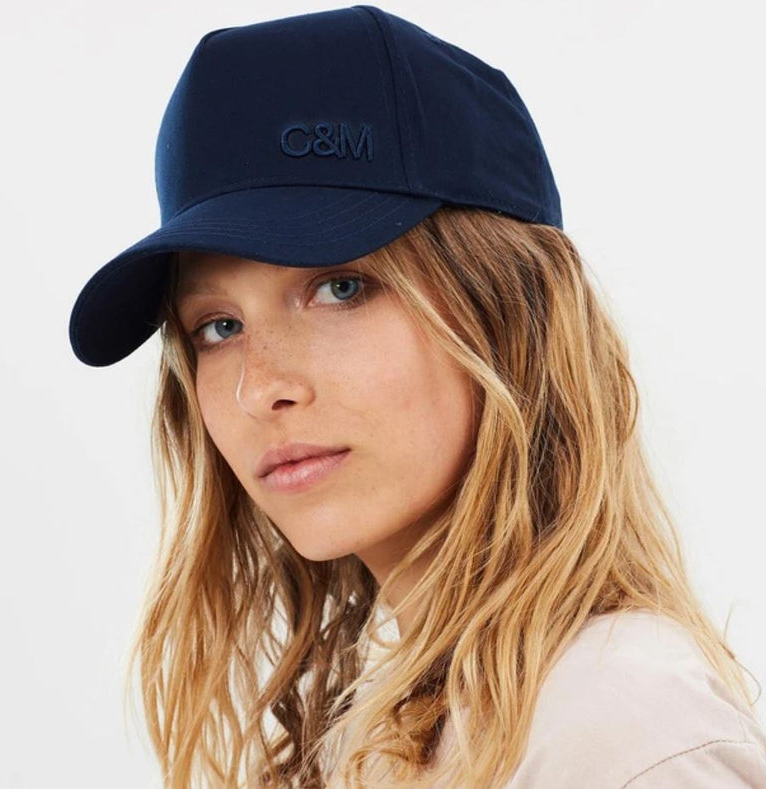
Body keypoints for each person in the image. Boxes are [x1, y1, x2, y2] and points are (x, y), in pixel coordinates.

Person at [68, 6, 766, 789]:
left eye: (340, 287)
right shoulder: (384, 730)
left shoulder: (621, 731)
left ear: (509, 310)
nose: (261, 387)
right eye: (219, 326)